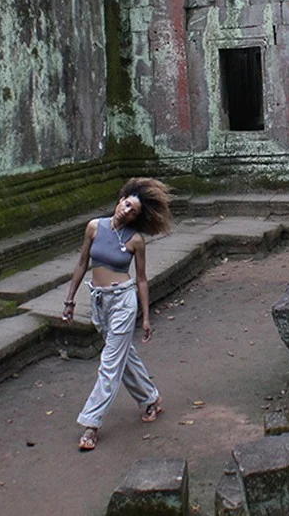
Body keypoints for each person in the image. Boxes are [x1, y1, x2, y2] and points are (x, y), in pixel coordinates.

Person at [61, 177, 172, 452]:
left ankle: (91, 424)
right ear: (120, 200)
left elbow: (142, 279)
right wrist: (69, 300)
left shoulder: (136, 241)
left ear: (137, 218)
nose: (127, 210)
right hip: (99, 301)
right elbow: (82, 264)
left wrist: (146, 317)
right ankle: (150, 398)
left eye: (133, 211)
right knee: (124, 355)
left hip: (123, 301)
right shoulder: (94, 227)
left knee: (109, 363)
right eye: (127, 204)